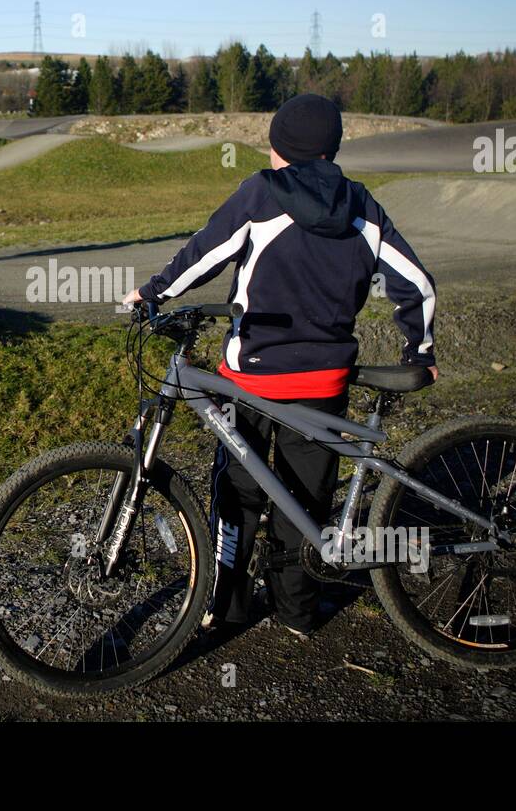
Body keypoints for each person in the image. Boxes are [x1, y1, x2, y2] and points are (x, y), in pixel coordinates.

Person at [121, 93, 438, 640]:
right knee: (306, 497)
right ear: (331, 149)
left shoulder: (261, 195)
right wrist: (420, 352)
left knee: (239, 491)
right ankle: (298, 611)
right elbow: (418, 286)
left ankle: (230, 606)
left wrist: (151, 295)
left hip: (252, 381)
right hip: (323, 384)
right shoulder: (364, 206)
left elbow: (203, 254)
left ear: (277, 147)